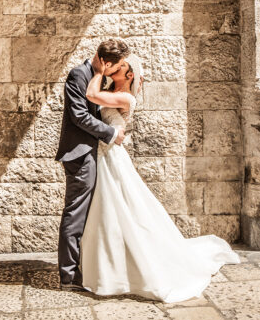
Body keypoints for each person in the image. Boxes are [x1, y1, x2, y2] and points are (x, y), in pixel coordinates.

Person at [79, 53, 241, 303]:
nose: (114, 68)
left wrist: (100, 70)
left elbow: (91, 95)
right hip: (105, 155)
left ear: (129, 75)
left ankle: (128, 269)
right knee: (112, 211)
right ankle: (112, 265)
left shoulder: (125, 97)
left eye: (119, 67)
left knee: (122, 209)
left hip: (111, 156)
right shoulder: (116, 90)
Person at [55, 39, 131, 290]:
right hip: (80, 154)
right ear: (106, 63)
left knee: (89, 213)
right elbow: (79, 115)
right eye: (116, 66)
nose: (118, 70)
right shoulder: (79, 74)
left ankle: (85, 265)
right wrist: (110, 133)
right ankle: (68, 275)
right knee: (75, 212)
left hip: (94, 153)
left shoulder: (100, 78)